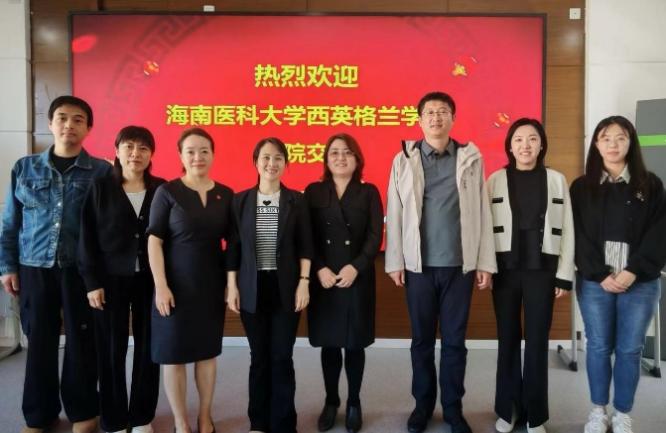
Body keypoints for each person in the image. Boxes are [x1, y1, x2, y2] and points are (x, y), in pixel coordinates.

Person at [385, 91, 496, 433]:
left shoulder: (470, 158)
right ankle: (422, 406)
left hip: (459, 267)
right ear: (420, 120)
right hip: (418, 267)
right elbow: (395, 210)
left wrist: (484, 262)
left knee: (454, 342)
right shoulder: (404, 159)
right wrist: (394, 261)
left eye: (443, 111)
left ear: (453, 118)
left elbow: (483, 211)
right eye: (430, 112)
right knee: (421, 341)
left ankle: (452, 408)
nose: (436, 117)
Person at [0, 95, 111, 433]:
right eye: (62, 118)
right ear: (50, 123)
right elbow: (10, 223)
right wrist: (7, 267)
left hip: (81, 271)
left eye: (78, 120)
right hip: (34, 267)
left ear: (89, 128)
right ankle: (39, 415)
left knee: (82, 342)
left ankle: (83, 412)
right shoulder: (24, 167)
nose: (69, 125)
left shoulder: (102, 171)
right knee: (39, 342)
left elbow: (108, 227)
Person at [571, 116, 666, 433]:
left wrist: (633, 271)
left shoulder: (651, 185)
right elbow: (577, 235)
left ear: (631, 143)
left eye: (620, 137)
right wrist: (600, 274)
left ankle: (623, 412)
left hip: (639, 282)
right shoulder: (582, 187)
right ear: (596, 144)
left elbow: (659, 233)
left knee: (629, 349)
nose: (613, 144)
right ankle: (598, 410)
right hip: (596, 282)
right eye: (605, 138)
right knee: (598, 346)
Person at [486, 118, 574, 433]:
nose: (525, 145)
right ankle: (508, 409)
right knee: (507, 339)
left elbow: (568, 230)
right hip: (505, 271)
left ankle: (535, 415)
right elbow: (484, 229)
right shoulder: (495, 180)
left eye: (532, 139)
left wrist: (564, 275)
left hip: (543, 271)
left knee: (537, 341)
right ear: (510, 146)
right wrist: (486, 267)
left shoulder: (556, 180)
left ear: (541, 145)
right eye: (519, 139)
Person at [78, 126, 165, 433]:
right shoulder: (100, 187)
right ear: (116, 151)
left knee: (149, 348)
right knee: (111, 348)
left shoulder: (161, 189)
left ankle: (142, 417)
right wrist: (92, 282)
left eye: (143, 148)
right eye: (129, 147)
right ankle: (113, 419)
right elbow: (86, 237)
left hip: (151, 281)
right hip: (109, 281)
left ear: (151, 154)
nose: (135, 154)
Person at [147, 127, 233, 433]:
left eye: (204, 151)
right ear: (181, 156)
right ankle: (181, 421)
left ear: (213, 155)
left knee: (207, 354)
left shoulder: (226, 194)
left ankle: (204, 416)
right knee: (173, 356)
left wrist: (231, 284)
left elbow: (233, 244)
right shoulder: (167, 192)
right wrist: (161, 286)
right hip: (173, 288)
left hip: (210, 287)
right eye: (191, 151)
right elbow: (154, 241)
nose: (198, 157)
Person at [226, 137, 313, 433]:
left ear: (286, 163)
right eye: (265, 157)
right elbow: (234, 248)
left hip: (285, 286)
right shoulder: (240, 201)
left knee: (282, 356)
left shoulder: (297, 201)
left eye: (278, 158)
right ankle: (258, 423)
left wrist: (304, 282)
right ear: (255, 162)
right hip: (252, 287)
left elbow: (306, 245)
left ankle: (284, 423)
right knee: (259, 358)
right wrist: (232, 286)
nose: (271, 163)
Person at [304, 133, 383, 433]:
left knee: (354, 343)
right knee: (329, 344)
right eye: (334, 152)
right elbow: (306, 236)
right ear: (326, 159)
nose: (340, 157)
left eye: (347, 152)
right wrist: (319, 269)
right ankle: (331, 400)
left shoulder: (368, 192)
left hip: (356, 278)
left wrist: (356, 267)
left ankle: (354, 402)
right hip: (324, 279)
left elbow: (375, 236)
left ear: (357, 159)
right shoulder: (313, 191)